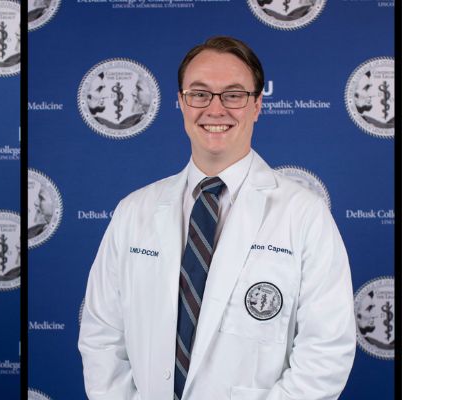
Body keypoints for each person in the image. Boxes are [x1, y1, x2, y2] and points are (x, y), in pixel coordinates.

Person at [78, 36, 355, 400]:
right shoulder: (134, 211)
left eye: (234, 95)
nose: (215, 109)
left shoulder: (304, 215)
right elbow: (102, 337)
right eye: (200, 93)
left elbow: (327, 352)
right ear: (180, 102)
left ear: (257, 105)